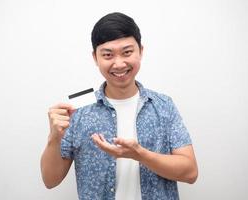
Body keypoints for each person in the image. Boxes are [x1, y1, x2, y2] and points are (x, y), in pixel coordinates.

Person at [40, 12, 198, 200]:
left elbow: (190, 173)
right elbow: (50, 181)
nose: (119, 63)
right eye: (108, 55)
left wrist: (140, 155)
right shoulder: (78, 110)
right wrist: (54, 137)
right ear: (95, 57)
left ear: (141, 50)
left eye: (127, 52)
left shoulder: (163, 105)